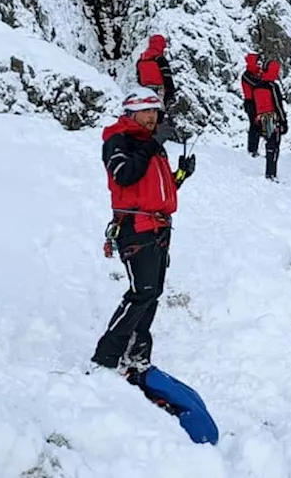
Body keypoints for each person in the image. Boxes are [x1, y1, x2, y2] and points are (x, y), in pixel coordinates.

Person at [92, 88, 195, 373]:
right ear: (131, 112)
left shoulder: (150, 144)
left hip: (159, 226)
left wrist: (182, 174)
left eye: (154, 111)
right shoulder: (118, 140)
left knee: (152, 293)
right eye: (146, 111)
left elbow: (161, 190)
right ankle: (106, 357)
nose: (152, 117)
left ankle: (136, 355)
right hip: (136, 227)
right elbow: (125, 175)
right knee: (142, 292)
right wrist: (148, 148)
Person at [136, 34, 179, 142]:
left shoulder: (141, 59)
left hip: (145, 90)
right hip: (159, 89)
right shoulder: (160, 59)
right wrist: (171, 91)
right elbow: (167, 76)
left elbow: (138, 77)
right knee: (158, 113)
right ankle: (154, 138)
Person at [249, 59, 287, 180]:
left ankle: (269, 173)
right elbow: (278, 104)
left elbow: (254, 105)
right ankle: (271, 173)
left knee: (269, 145)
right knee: (274, 147)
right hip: (272, 118)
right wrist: (283, 121)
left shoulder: (256, 86)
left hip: (260, 119)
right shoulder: (272, 86)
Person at [239, 53, 263, 157]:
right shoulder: (246, 75)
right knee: (254, 125)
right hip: (250, 103)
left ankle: (254, 148)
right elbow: (256, 84)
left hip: (258, 102)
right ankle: (252, 149)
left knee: (257, 126)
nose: (259, 64)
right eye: (257, 62)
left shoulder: (257, 73)